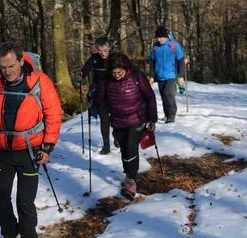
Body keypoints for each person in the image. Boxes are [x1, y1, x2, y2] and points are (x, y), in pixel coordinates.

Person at [0, 40, 62, 238]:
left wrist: (48, 146)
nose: (7, 71)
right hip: (1, 149)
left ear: (21, 61)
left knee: (24, 200)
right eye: (3, 67)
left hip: (30, 150)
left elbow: (54, 114)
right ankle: (9, 234)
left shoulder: (40, 81)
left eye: (11, 66)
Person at [95, 52, 157, 200]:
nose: (116, 75)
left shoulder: (137, 76)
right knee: (124, 149)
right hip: (118, 121)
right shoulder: (105, 81)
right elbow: (100, 100)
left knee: (130, 147)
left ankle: (131, 181)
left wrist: (152, 119)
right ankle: (128, 173)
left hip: (138, 118)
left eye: (119, 72)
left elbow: (150, 97)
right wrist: (95, 101)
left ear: (125, 68)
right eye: (113, 72)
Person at [74, 36, 117, 155]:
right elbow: (85, 69)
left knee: (116, 118)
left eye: (105, 50)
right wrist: (79, 77)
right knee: (104, 120)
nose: (103, 53)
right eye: (100, 50)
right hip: (100, 93)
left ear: (109, 48)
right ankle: (106, 146)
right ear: (96, 49)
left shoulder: (114, 58)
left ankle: (116, 135)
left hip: (114, 92)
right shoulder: (94, 59)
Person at [148, 25, 185, 123]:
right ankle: (166, 114)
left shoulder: (173, 45)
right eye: (158, 37)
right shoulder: (155, 47)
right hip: (160, 76)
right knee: (164, 96)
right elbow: (152, 62)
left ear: (166, 36)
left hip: (171, 75)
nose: (159, 39)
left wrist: (181, 76)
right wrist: (151, 76)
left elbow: (180, 60)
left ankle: (171, 115)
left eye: (161, 37)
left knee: (168, 94)